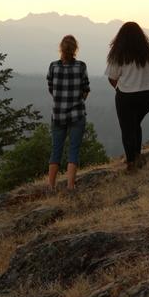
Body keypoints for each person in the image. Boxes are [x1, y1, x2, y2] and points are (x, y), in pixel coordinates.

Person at [105, 21, 149, 171]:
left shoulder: (118, 55)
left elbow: (111, 76)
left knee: (127, 128)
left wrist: (119, 89)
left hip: (127, 96)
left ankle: (131, 162)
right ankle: (137, 156)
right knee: (135, 124)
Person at [47, 35, 90, 191]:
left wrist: (60, 100)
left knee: (56, 149)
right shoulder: (81, 66)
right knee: (74, 149)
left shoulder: (53, 66)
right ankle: (70, 185)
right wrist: (78, 100)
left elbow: (51, 88)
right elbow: (86, 89)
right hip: (77, 114)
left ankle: (51, 186)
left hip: (58, 115)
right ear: (75, 49)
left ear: (61, 48)